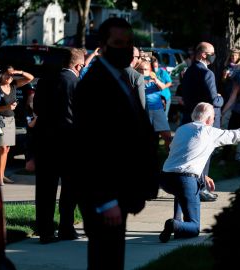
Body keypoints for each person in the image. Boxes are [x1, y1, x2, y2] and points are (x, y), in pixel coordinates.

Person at [72, 17, 159, 270]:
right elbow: (91, 146)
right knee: (104, 260)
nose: (125, 49)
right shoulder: (94, 85)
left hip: (121, 191)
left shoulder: (121, 79)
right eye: (118, 43)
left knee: (112, 259)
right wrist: (106, 199)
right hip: (104, 196)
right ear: (104, 45)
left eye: (129, 43)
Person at [160, 102, 240, 242]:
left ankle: (177, 222)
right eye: (213, 117)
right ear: (208, 119)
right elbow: (237, 135)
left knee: (179, 191)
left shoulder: (181, 129)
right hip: (185, 180)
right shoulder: (209, 131)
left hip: (165, 178)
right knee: (194, 227)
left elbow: (178, 154)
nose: (214, 120)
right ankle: (174, 224)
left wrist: (202, 175)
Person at [33, 48, 86, 244]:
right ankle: (66, 227)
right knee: (70, 187)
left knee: (45, 187)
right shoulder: (76, 83)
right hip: (69, 141)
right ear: (78, 65)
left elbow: (36, 107)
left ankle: (45, 230)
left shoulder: (45, 80)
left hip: (45, 140)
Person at [180, 42, 224, 202]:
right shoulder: (207, 73)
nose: (214, 55)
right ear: (203, 54)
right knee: (204, 155)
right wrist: (221, 97)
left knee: (193, 156)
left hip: (190, 118)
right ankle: (201, 188)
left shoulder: (189, 71)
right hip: (205, 121)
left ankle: (193, 188)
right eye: (211, 52)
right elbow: (214, 100)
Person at [0, 66, 34, 185]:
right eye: (7, 74)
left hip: (11, 120)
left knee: (7, 149)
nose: (9, 77)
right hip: (0, 119)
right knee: (3, 148)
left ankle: (1, 174)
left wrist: (18, 72)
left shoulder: (13, 85)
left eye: (11, 75)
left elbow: (30, 78)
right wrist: (7, 107)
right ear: (1, 75)